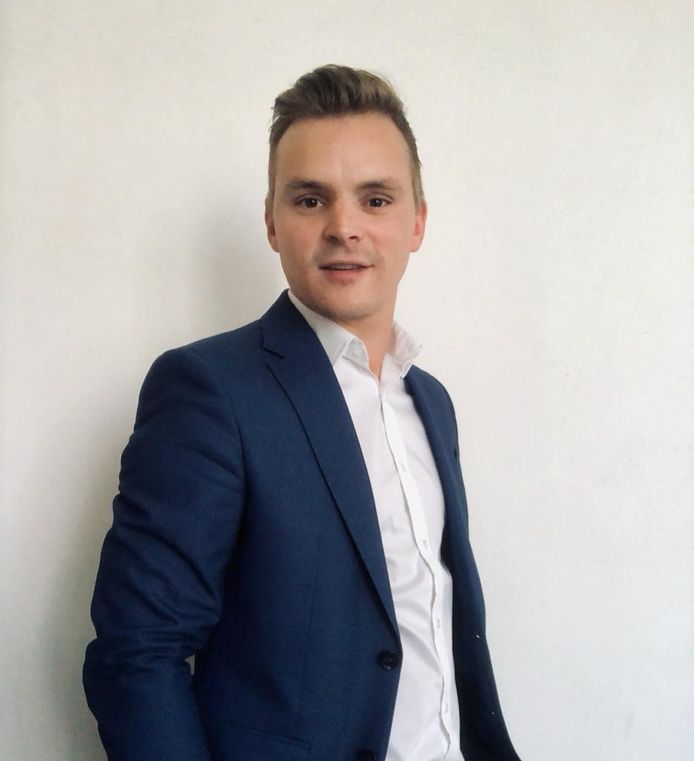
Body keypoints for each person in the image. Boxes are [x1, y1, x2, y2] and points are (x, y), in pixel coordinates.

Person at [84, 64, 521, 761]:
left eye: (375, 199)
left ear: (417, 221)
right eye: (311, 199)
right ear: (272, 222)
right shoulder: (208, 391)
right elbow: (138, 653)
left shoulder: (430, 401)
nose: (344, 227)